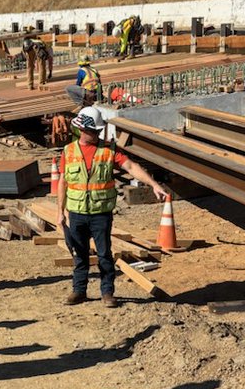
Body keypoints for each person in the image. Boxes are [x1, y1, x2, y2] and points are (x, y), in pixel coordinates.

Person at [57, 106, 168, 308]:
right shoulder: (68, 151)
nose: (97, 134)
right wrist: (60, 213)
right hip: (76, 212)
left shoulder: (109, 150)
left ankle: (107, 292)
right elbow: (63, 183)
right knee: (79, 254)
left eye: (99, 131)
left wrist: (154, 185)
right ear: (82, 129)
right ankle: (79, 290)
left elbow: (131, 167)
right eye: (94, 131)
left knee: (104, 254)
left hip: (101, 213)